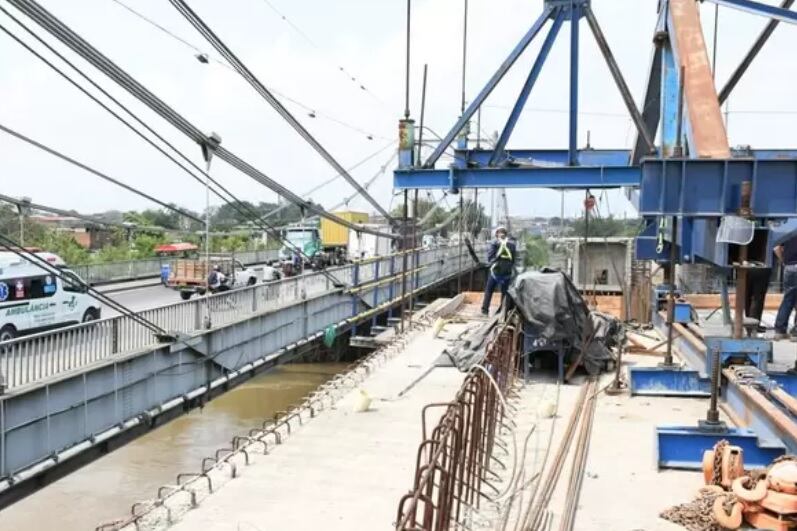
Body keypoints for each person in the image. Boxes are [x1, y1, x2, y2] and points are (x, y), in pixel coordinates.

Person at [481, 226, 517, 315]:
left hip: (495, 271)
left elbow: (490, 257)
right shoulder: (512, 244)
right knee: (504, 292)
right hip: (507, 272)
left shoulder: (494, 243)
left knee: (489, 290)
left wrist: (491, 263)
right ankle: (502, 311)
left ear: (497, 234)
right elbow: (513, 259)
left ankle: (485, 310)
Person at [774, 236, 797, 339]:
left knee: (788, 299)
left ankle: (780, 330)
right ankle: (795, 332)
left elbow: (776, 248)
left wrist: (784, 261)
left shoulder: (788, 232)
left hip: (789, 267)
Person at [745, 266, 771, 334]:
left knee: (747, 296)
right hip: (762, 267)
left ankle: (748, 323)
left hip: (746, 268)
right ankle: (753, 325)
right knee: (757, 298)